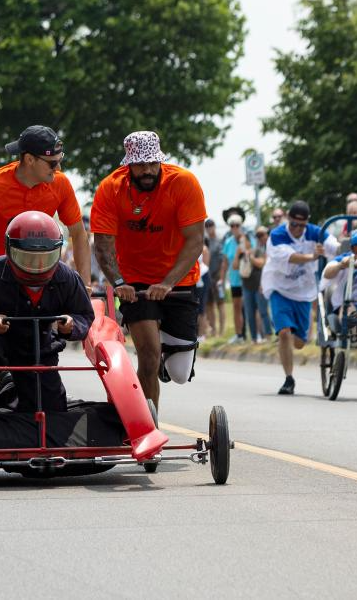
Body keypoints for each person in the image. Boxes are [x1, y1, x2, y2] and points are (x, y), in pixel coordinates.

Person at [91, 131, 206, 410]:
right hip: (135, 282)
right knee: (149, 355)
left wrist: (167, 283)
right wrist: (119, 281)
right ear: (128, 164)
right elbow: (103, 245)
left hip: (178, 280)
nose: (147, 170)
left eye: (152, 163)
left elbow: (195, 241)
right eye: (141, 165)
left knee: (179, 373)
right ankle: (148, 425)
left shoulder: (183, 183)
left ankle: (171, 357)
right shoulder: (110, 188)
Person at [0, 211, 94, 415]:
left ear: (57, 251)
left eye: (45, 257)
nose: (37, 266)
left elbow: (85, 315)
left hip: (39, 346)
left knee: (52, 410)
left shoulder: (67, 277)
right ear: (10, 250)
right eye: (27, 257)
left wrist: (71, 326)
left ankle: (11, 389)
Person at [0, 125, 89, 299]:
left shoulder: (61, 184)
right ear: (29, 159)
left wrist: (85, 284)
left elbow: (79, 234)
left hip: (38, 276)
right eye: (52, 163)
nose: (58, 168)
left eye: (60, 160)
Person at [261, 200, 324, 395]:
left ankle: (301, 334)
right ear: (288, 218)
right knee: (283, 333)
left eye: (301, 225)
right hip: (279, 289)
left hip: (303, 291)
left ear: (307, 222)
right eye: (294, 223)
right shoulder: (277, 235)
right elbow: (290, 257)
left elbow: (333, 245)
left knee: (300, 342)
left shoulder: (315, 232)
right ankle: (289, 378)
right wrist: (312, 256)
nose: (297, 228)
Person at [238, 226, 272, 342]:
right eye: (241, 242)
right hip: (246, 287)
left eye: (244, 241)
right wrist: (240, 255)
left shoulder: (258, 250)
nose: (242, 243)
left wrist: (250, 256)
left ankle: (268, 335)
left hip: (259, 286)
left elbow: (261, 263)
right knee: (249, 313)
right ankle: (253, 338)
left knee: (263, 311)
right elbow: (235, 266)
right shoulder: (241, 253)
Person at [222, 211, 247, 343]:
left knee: (248, 307)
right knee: (236, 307)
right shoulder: (228, 242)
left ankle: (253, 334)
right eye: (232, 225)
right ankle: (239, 335)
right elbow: (225, 262)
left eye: (237, 225)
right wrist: (222, 279)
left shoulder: (247, 239)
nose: (234, 228)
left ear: (241, 225)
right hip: (234, 279)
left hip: (247, 279)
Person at [203, 219, 226, 337]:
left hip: (217, 276)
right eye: (207, 226)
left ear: (215, 226)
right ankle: (214, 330)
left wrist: (222, 278)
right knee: (209, 305)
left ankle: (222, 331)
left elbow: (223, 261)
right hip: (208, 276)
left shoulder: (219, 241)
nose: (209, 228)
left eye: (211, 225)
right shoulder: (205, 241)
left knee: (220, 304)